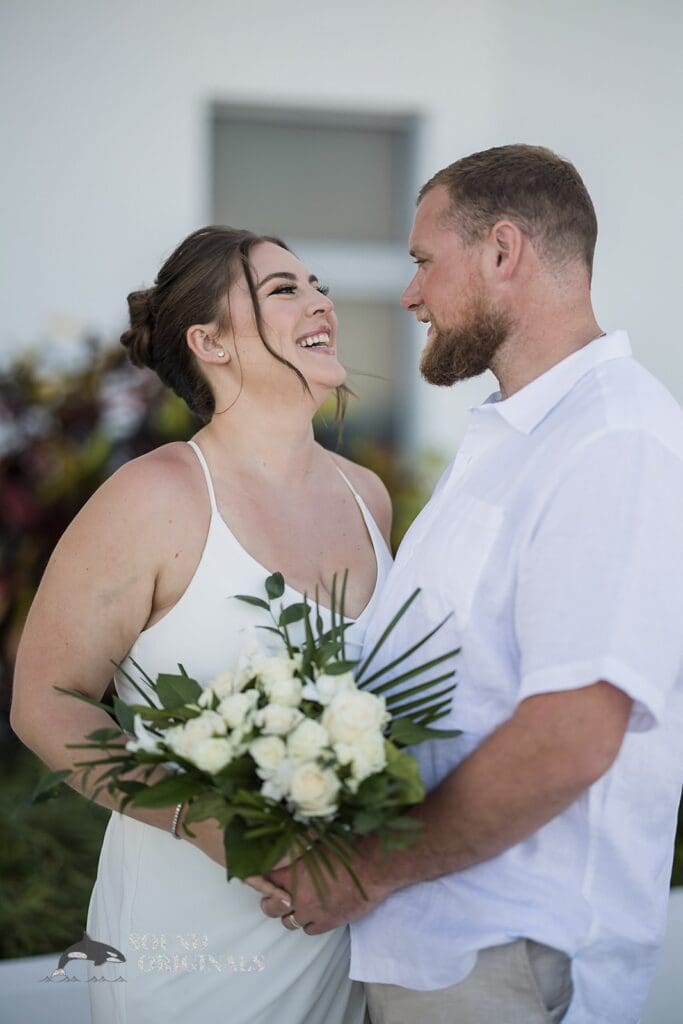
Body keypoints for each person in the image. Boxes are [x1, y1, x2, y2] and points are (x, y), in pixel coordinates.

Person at [260, 144, 683, 1023]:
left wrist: (361, 870)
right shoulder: (510, 437)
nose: (408, 294)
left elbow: (571, 732)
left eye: (421, 261)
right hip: (433, 950)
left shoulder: (615, 441)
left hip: (511, 959)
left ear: (501, 252)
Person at [10, 225, 393, 1023]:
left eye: (315, 283)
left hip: (341, 930)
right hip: (187, 947)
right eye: (283, 289)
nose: (320, 299)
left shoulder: (368, 496)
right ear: (210, 342)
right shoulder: (154, 498)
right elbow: (46, 702)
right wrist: (211, 823)